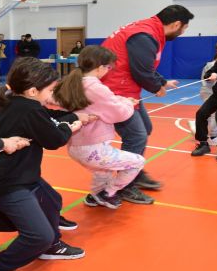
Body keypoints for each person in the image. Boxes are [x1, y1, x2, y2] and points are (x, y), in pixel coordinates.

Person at [0, 57, 86, 271]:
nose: (51, 95)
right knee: (38, 235)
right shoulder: (28, 109)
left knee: (52, 201)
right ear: (34, 91)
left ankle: (52, 245)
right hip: (5, 179)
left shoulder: (15, 101)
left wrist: (71, 116)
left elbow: (47, 117)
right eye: (50, 90)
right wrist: (71, 125)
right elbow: (54, 139)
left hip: (17, 172)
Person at [102, 5, 193, 190]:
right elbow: (141, 71)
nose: (182, 33)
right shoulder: (145, 35)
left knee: (145, 128)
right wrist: (156, 87)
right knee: (136, 135)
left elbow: (143, 65)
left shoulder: (148, 29)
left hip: (125, 87)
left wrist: (161, 81)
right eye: (184, 28)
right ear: (176, 24)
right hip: (115, 90)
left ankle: (133, 170)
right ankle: (125, 184)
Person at [53, 46, 152, 208]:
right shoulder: (96, 87)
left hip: (75, 147)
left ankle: (95, 196)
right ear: (100, 68)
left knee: (103, 171)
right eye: (109, 67)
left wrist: (121, 100)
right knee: (138, 161)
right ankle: (108, 193)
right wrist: (127, 103)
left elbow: (102, 103)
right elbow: (120, 113)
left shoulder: (72, 82)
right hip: (93, 149)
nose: (109, 70)